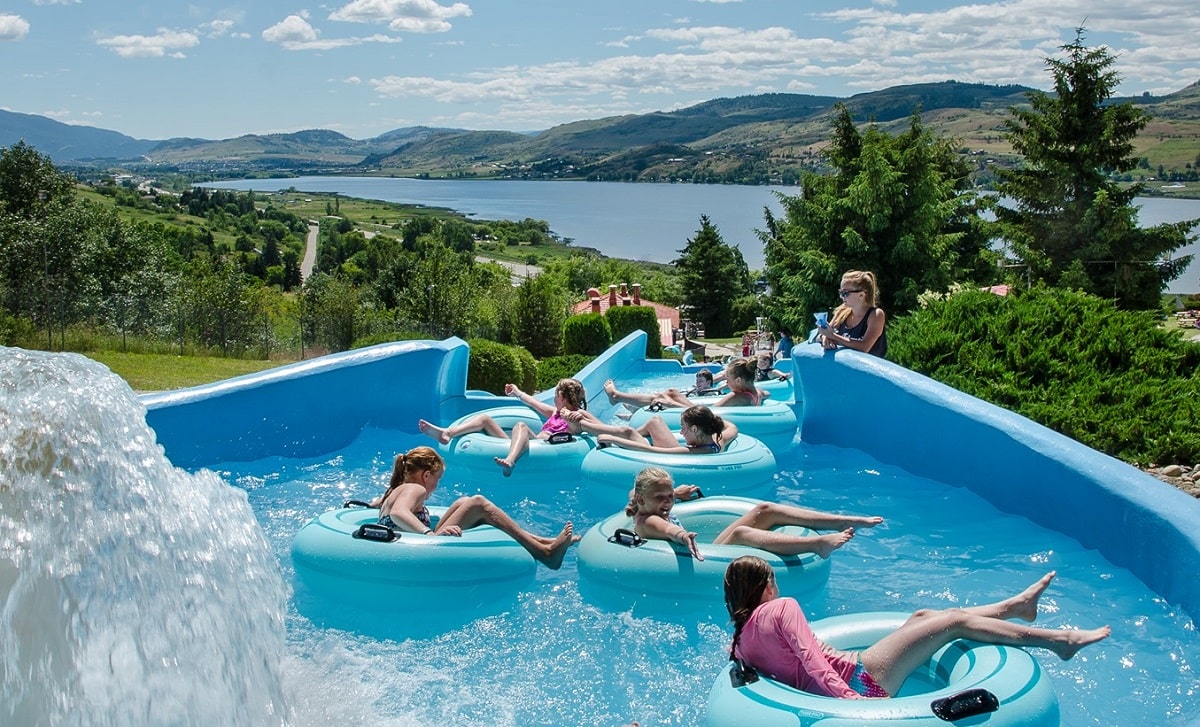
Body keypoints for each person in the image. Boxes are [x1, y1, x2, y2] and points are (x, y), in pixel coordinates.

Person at [723, 555, 1111, 699]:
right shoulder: (782, 608)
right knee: (954, 622)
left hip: (853, 676)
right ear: (767, 586)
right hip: (862, 679)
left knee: (924, 617)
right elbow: (811, 659)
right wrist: (851, 701)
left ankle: (1014, 608)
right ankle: (1060, 641)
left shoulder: (739, 641)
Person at [372, 446, 579, 569]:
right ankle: (545, 553)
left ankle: (543, 540)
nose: (436, 485)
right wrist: (429, 534)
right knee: (478, 502)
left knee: (463, 501)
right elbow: (398, 513)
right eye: (437, 478)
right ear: (426, 475)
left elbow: (388, 509)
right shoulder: (415, 488)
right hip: (416, 551)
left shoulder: (396, 489)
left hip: (409, 544)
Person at [626, 467, 881, 561]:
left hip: (706, 551)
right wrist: (682, 536)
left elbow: (642, 492)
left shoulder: (644, 502)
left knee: (764, 510)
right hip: (702, 559)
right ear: (641, 499)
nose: (667, 502)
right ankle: (815, 545)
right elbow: (668, 529)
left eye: (669, 496)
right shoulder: (649, 520)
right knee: (740, 533)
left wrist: (676, 493)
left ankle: (842, 521)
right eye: (660, 497)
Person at [418, 378, 595, 476]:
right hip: (523, 444)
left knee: (521, 425)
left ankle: (510, 460)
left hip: (543, 449)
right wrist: (516, 392)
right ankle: (448, 433)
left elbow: (596, 426)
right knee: (485, 419)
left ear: (562, 397)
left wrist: (580, 424)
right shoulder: (555, 412)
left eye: (555, 395)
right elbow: (532, 402)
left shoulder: (576, 416)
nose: (554, 399)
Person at [603, 358, 763, 412]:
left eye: (727, 379)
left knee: (663, 398)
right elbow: (765, 394)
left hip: (700, 417)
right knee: (671, 391)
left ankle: (617, 396)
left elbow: (708, 415)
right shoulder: (757, 393)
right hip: (700, 411)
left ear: (738, 381)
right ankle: (618, 398)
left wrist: (672, 405)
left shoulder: (736, 396)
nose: (726, 383)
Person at [589, 404, 738, 454]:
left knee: (628, 432)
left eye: (683, 428)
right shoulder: (717, 440)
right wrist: (709, 418)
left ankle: (585, 425)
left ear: (694, 429)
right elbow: (733, 427)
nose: (681, 432)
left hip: (665, 458)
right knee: (655, 421)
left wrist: (614, 439)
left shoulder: (694, 451)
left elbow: (652, 451)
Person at [817, 270, 887, 358]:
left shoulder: (876, 315)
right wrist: (825, 337)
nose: (841, 297)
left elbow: (864, 347)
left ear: (861, 295)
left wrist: (833, 336)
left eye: (845, 293)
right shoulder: (842, 311)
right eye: (840, 292)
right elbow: (825, 334)